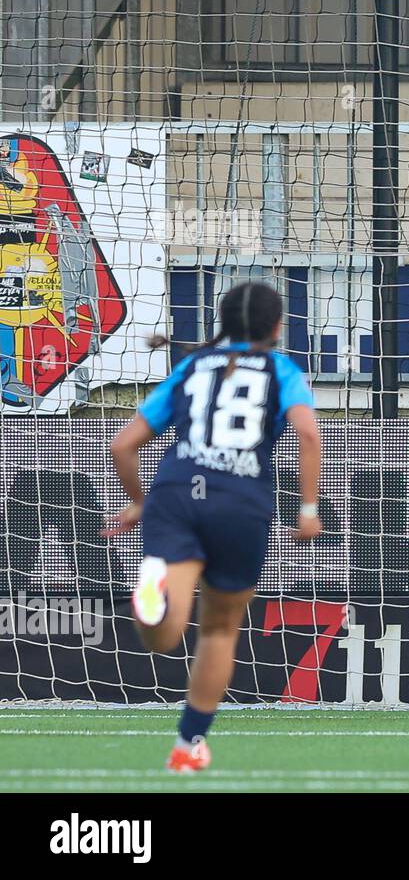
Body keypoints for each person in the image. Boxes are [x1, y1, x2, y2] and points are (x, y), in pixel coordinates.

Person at [103, 281, 322, 768]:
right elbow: (308, 433)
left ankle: (153, 588)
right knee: (220, 630)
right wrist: (307, 511)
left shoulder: (190, 366)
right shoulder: (281, 370)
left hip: (177, 493)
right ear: (276, 327)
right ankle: (187, 747)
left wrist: (140, 502)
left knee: (159, 638)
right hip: (240, 503)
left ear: (222, 323)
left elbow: (122, 445)